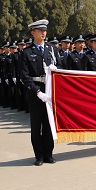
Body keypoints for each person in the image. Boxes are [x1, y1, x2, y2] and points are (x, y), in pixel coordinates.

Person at [20, 19, 62, 166]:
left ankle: (48, 154)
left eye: (44, 30)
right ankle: (38, 155)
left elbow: (61, 69)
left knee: (49, 124)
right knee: (36, 126)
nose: (43, 33)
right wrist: (37, 92)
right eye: (40, 31)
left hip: (50, 91)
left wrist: (56, 70)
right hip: (36, 93)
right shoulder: (26, 52)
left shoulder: (52, 50)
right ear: (33, 33)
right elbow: (24, 76)